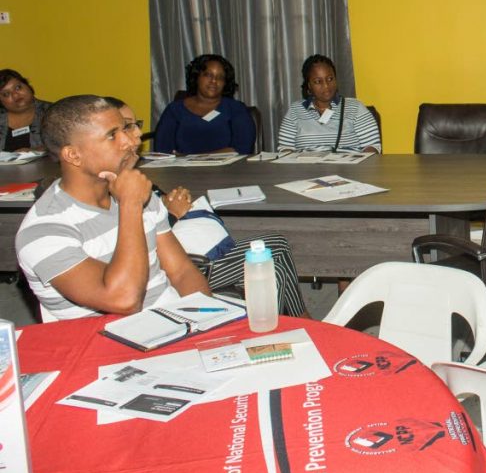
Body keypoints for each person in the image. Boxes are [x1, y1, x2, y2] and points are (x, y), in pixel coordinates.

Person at [107, 97, 309, 317]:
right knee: (274, 258)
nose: (137, 134)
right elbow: (139, 240)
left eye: (136, 124)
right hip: (185, 263)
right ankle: (298, 321)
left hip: (185, 252)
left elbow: (153, 213)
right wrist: (173, 213)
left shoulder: (133, 176)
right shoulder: (113, 188)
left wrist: (167, 201)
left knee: (276, 252)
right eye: (127, 126)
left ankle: (294, 323)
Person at [15, 95, 210, 319]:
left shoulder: (135, 192)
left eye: (125, 129)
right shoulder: (43, 231)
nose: (128, 141)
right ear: (73, 155)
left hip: (177, 324)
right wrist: (130, 205)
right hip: (109, 346)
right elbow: (124, 299)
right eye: (112, 135)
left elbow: (182, 272)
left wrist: (207, 320)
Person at [153, 54, 256, 155]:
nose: (214, 81)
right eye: (208, 75)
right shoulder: (175, 110)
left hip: (226, 170)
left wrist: (192, 158)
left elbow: (242, 149)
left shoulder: (236, 109)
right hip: (181, 171)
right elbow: (162, 150)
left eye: (220, 77)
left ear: (225, 83)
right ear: (196, 77)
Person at [277, 54, 381, 153]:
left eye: (330, 79)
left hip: (347, 170)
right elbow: (285, 148)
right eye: (318, 81)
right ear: (309, 85)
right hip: (306, 170)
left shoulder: (356, 107)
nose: (326, 85)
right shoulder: (295, 110)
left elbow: (372, 147)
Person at [0, 69, 51, 152]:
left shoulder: (54, 112)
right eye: (6, 94)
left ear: (28, 86)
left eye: (18, 87)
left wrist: (36, 151)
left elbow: (67, 144)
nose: (15, 95)